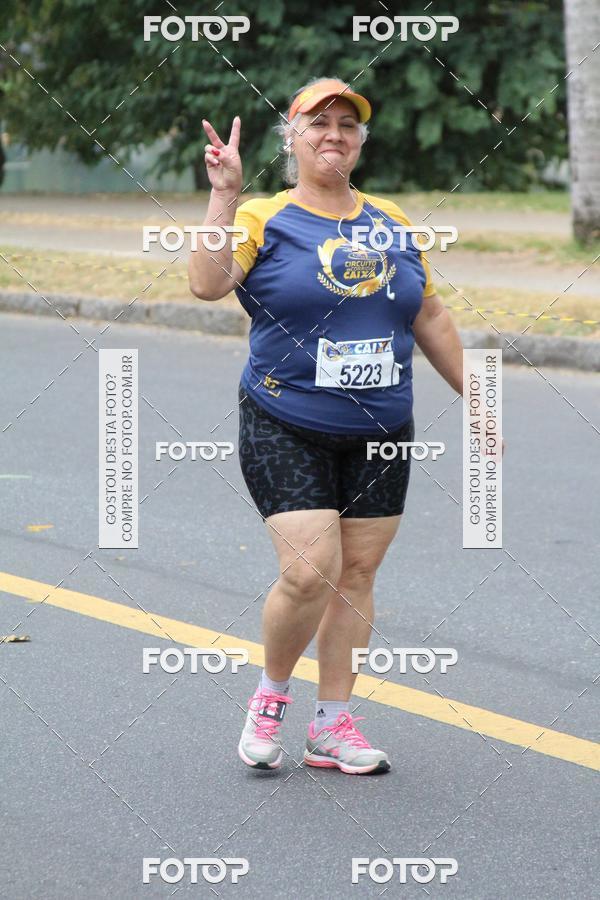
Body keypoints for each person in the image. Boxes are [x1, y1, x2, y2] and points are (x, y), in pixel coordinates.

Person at [189, 77, 466, 775]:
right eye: (319, 124)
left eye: (348, 124)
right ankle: (271, 697)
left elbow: (428, 314)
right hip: (285, 417)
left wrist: (480, 396)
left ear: (361, 141)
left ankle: (332, 724)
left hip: (381, 427)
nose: (334, 134)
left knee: (359, 572)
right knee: (311, 570)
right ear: (293, 138)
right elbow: (206, 283)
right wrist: (224, 193)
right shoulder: (264, 217)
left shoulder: (392, 220)